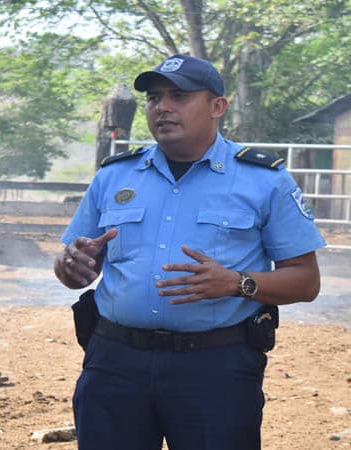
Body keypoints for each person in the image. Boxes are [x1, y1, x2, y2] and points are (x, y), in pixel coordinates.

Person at [55, 54, 325, 450]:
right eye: (153, 97)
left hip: (215, 368)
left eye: (179, 96)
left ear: (217, 107)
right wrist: (68, 265)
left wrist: (236, 283)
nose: (162, 107)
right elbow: (74, 267)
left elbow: (306, 281)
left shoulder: (264, 181)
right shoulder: (115, 175)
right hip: (114, 363)